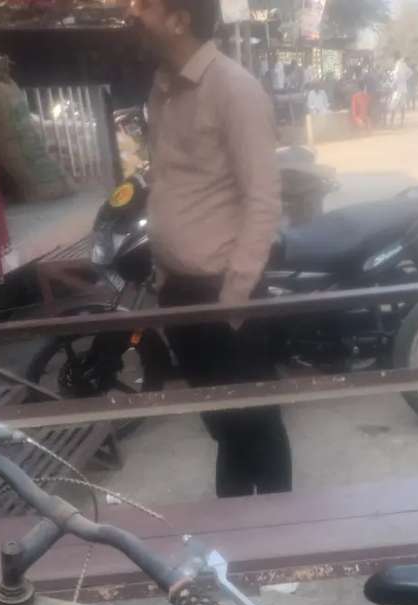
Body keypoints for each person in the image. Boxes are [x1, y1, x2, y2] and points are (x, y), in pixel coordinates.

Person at [133, 0, 290, 497]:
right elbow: (171, 183)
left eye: (144, 4)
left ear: (179, 19)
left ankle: (279, 535)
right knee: (223, 425)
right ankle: (236, 523)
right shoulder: (163, 88)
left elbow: (263, 198)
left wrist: (234, 297)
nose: (132, 11)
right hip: (181, 293)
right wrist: (165, 274)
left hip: (224, 295)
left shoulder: (233, 88)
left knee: (257, 423)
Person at [388, 52, 411, 127]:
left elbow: (396, 76)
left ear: (394, 57)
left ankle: (391, 122)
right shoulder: (403, 64)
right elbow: (410, 73)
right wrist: (405, 79)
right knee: (402, 106)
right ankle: (402, 122)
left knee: (393, 106)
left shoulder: (398, 65)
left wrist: (393, 84)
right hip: (404, 88)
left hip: (398, 89)